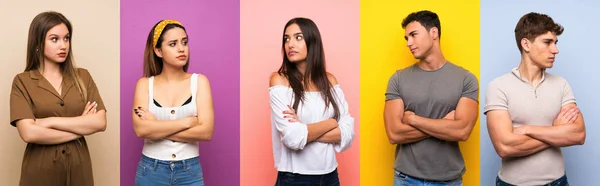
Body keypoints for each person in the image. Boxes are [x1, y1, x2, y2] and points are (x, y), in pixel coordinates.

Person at [484, 12, 585, 186]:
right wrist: (556, 131)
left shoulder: (561, 84)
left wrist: (527, 129)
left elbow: (578, 134)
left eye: (555, 43)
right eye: (547, 42)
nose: (555, 50)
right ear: (526, 44)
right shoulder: (498, 86)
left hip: (558, 182)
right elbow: (505, 147)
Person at [10, 11, 107, 186]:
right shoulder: (22, 82)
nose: (63, 45)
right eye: (54, 39)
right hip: (40, 171)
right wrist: (82, 125)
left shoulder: (83, 77)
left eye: (66, 38)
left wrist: (47, 121)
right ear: (38, 42)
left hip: (80, 168)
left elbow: (100, 122)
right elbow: (29, 133)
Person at [383, 10, 479, 186]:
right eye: (406, 38)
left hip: (448, 180)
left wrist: (413, 119)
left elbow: (462, 131)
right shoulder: (398, 78)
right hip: (406, 178)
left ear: (433, 33)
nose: (408, 43)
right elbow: (394, 134)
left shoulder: (466, 79)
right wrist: (444, 124)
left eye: (413, 35)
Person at [269, 17, 355, 186]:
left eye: (298, 37)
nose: (290, 44)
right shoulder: (279, 81)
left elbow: (348, 132)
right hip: (295, 178)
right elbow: (292, 138)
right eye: (286, 39)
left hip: (330, 176)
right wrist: (331, 122)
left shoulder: (329, 80)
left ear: (312, 41)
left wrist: (305, 129)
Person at [132, 19, 215, 186]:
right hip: (150, 171)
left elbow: (206, 132)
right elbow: (141, 130)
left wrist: (156, 125)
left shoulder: (199, 82)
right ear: (158, 51)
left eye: (184, 42)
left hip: (189, 171)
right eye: (172, 44)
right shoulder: (144, 85)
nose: (181, 48)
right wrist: (187, 122)